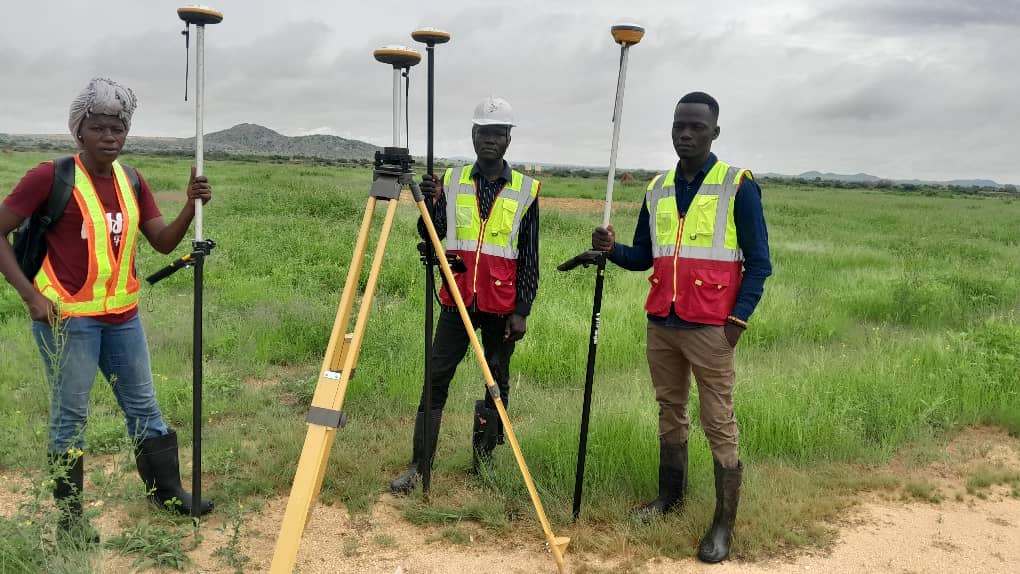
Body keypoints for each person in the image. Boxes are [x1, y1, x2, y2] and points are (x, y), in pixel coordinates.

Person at [0, 78, 214, 544]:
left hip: (124, 318)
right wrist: (30, 297)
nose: (110, 136)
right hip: (67, 321)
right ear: (79, 131)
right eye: (98, 127)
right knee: (70, 417)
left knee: (144, 407)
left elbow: (160, 242)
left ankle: (167, 492)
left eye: (118, 127)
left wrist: (190, 205)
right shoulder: (49, 176)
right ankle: (71, 521)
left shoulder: (132, 179)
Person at [591, 91, 771, 563]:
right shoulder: (658, 188)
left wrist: (736, 321)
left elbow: (760, 263)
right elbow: (643, 257)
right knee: (670, 411)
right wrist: (612, 249)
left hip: (712, 328)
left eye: (696, 127)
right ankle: (669, 498)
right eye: (679, 127)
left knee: (718, 422)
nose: (686, 135)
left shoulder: (738, 185)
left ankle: (722, 526)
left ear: (715, 131)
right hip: (663, 325)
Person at [390, 96, 540, 494]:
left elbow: (530, 255)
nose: (490, 140)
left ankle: (485, 463)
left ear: (507, 140)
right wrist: (424, 202)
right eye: (483, 133)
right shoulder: (452, 181)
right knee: (435, 379)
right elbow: (432, 235)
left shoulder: (526, 190)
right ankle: (419, 468)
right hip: (457, 300)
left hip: (501, 305)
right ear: (473, 135)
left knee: (496, 383)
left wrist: (522, 310)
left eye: (497, 134)